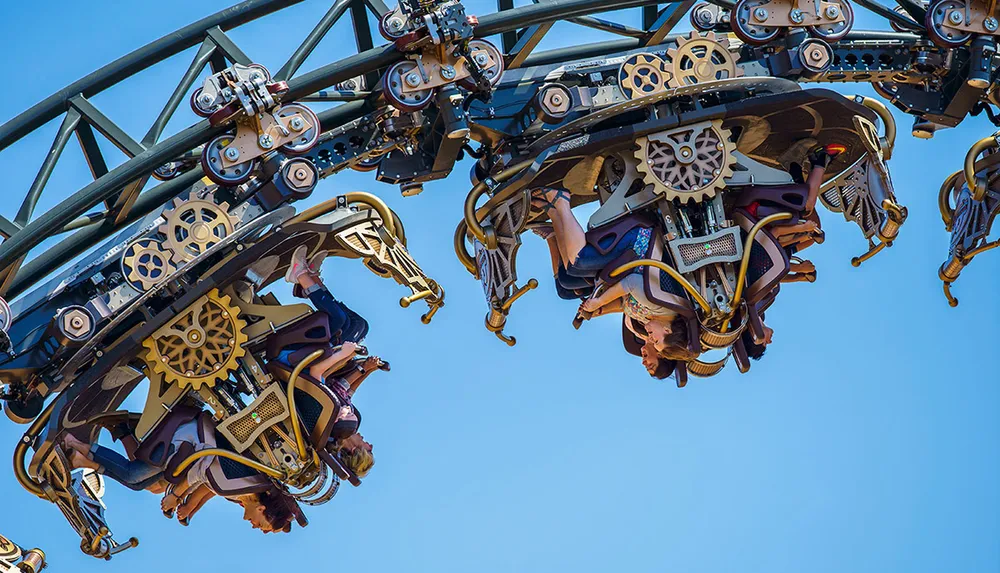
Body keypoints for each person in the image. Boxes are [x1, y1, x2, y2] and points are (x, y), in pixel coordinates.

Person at [532, 188, 698, 364]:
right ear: (668, 331)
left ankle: (553, 211)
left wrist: (598, 309)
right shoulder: (663, 308)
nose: (650, 339)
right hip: (638, 243)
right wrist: (600, 301)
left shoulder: (652, 317)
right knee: (579, 260)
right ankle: (561, 200)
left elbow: (624, 301)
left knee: (569, 278)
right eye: (656, 340)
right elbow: (632, 283)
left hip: (625, 262)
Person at [282, 245, 379, 479]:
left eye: (368, 450)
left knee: (339, 321)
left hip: (305, 365)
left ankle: (301, 275)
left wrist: (343, 355)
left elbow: (317, 377)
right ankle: (310, 282)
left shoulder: (340, 427)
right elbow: (344, 391)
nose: (371, 445)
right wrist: (365, 370)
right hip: (322, 367)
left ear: (355, 451)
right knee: (359, 326)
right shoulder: (343, 426)